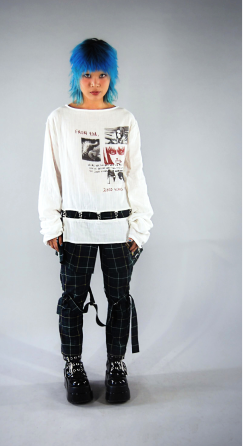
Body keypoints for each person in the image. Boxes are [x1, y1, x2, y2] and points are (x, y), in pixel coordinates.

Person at [38, 38, 153, 404]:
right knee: (72, 300)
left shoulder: (124, 119)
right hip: (76, 228)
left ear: (111, 77)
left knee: (119, 299)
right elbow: (51, 174)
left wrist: (141, 226)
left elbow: (134, 173)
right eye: (87, 74)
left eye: (102, 74)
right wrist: (51, 224)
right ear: (77, 75)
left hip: (118, 227)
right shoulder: (59, 120)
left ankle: (116, 365)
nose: (94, 82)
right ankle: (73, 366)